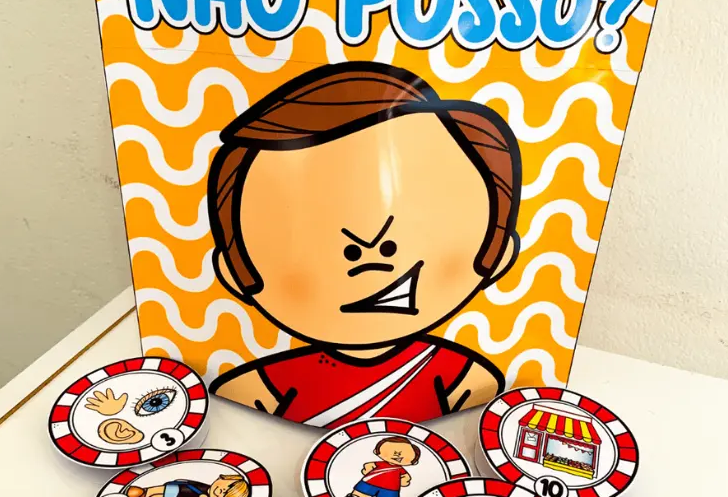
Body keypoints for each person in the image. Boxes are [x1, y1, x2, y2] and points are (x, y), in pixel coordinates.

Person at [208, 62, 522, 427]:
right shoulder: (269, 382)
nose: (370, 250)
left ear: (497, 253)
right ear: (235, 273)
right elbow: (235, 399)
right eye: (309, 223)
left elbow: (484, 396)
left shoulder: (456, 374)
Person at [339, 436, 421, 497]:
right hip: (370, 482)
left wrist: (405, 480)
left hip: (390, 488)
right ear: (376, 451)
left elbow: (405, 478)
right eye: (393, 450)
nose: (397, 454)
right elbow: (369, 466)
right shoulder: (379, 464)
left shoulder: (400, 470)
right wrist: (367, 468)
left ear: (414, 461)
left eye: (403, 452)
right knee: (362, 492)